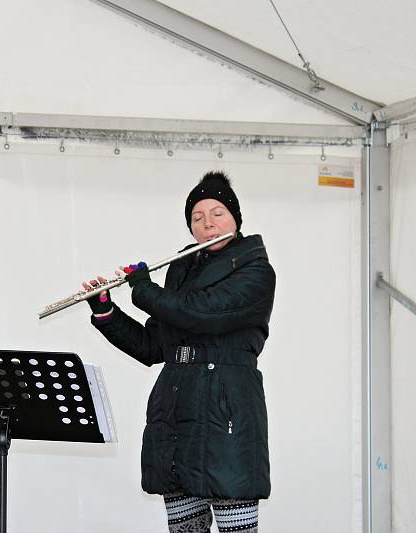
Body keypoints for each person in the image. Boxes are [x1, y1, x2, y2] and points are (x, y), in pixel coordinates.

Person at [84, 171, 275, 533]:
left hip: (226, 413)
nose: (208, 225)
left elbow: (203, 313)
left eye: (217, 213)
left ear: (235, 217)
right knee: (185, 528)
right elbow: (154, 347)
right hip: (177, 411)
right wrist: (106, 311)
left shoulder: (256, 270)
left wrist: (143, 290)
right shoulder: (180, 271)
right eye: (197, 218)